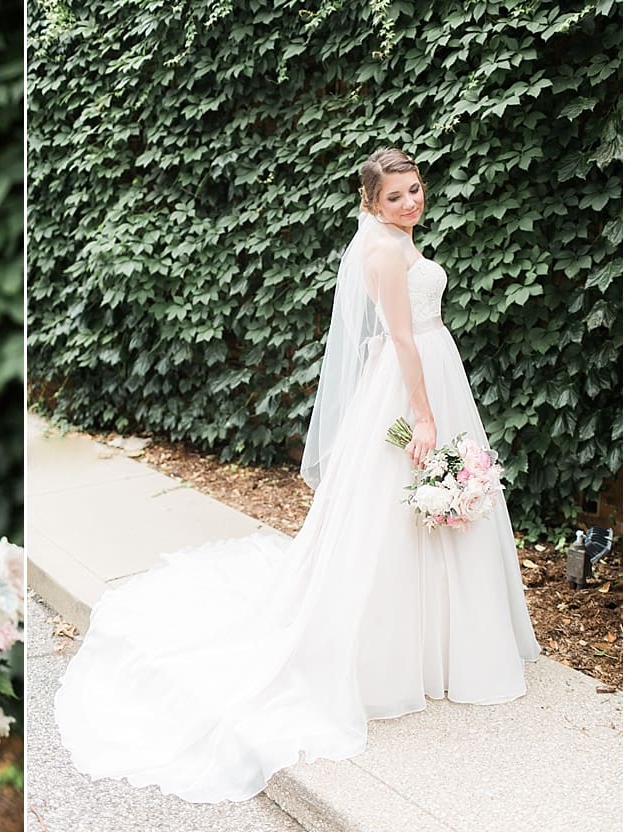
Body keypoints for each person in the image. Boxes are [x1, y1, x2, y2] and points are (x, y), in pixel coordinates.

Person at [54, 148, 540, 803]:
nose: (409, 203)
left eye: (415, 190)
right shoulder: (383, 255)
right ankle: (397, 654)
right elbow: (398, 337)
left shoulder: (398, 243)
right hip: (413, 383)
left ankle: (446, 646)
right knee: (401, 504)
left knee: (424, 507)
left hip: (429, 369)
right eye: (394, 196)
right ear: (371, 202)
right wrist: (422, 415)